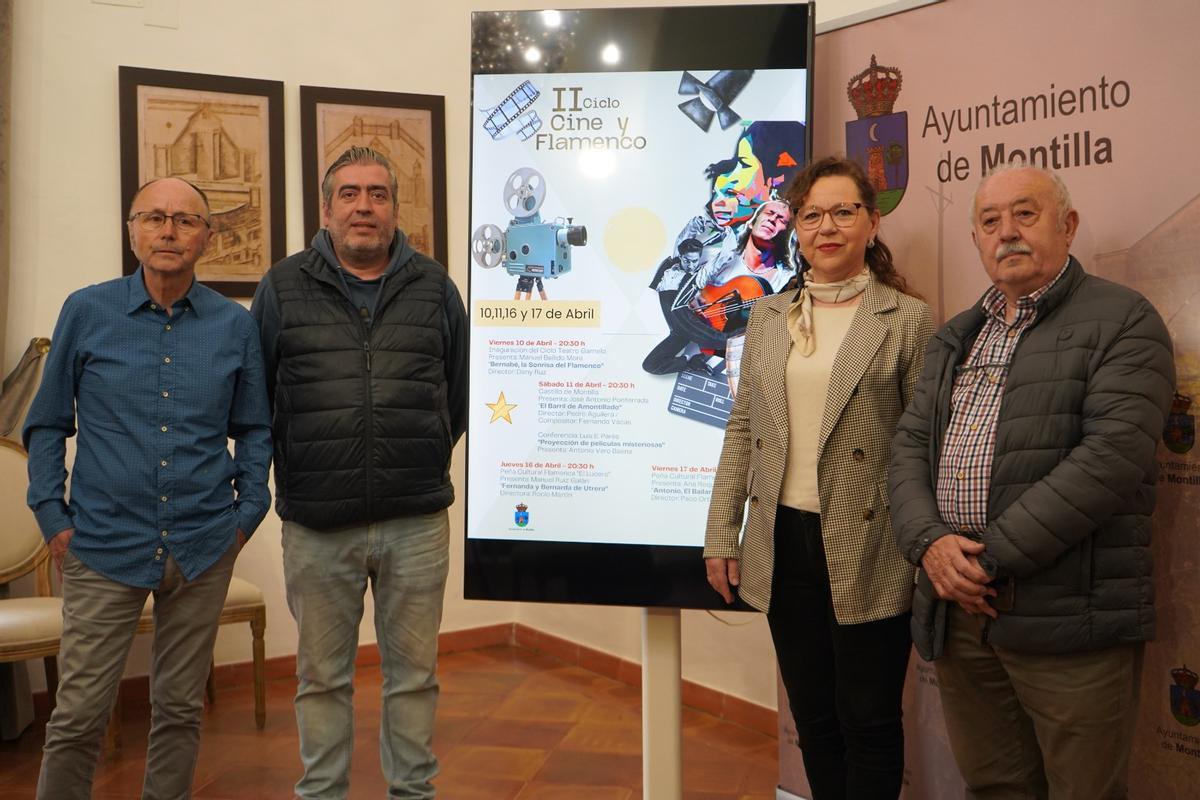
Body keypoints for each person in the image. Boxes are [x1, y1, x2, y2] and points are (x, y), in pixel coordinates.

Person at [888, 165, 1175, 799]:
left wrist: (982, 559)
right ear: (975, 239)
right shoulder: (957, 335)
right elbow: (909, 446)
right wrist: (930, 544)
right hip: (961, 612)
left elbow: (1110, 461)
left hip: (1069, 615)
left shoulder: (1125, 320)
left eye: (1026, 214)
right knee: (994, 786)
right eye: (990, 221)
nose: (1007, 233)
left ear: (1067, 226)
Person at [23, 177, 272, 800]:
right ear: (132, 230)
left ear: (207, 236)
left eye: (186, 220)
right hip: (103, 545)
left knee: (181, 709)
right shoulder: (86, 310)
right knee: (78, 716)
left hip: (202, 544)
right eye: (155, 217)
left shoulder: (233, 326)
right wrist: (53, 518)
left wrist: (246, 514)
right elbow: (48, 423)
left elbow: (255, 429)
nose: (169, 231)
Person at [705, 156, 933, 799]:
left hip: (872, 545)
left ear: (871, 222)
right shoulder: (772, 317)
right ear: (795, 229)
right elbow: (742, 429)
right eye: (812, 215)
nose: (826, 227)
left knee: (868, 720)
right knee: (814, 719)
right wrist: (721, 533)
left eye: (843, 212)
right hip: (784, 541)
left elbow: (924, 445)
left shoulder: (907, 318)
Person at [251, 146, 468, 799]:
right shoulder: (283, 287)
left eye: (377, 193)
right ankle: (323, 793)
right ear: (327, 208)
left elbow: (456, 395)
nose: (364, 206)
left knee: (415, 675)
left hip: (416, 521)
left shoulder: (434, 286)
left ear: (397, 208)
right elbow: (258, 397)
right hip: (318, 525)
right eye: (350, 194)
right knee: (322, 677)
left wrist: (422, 450)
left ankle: (413, 792)